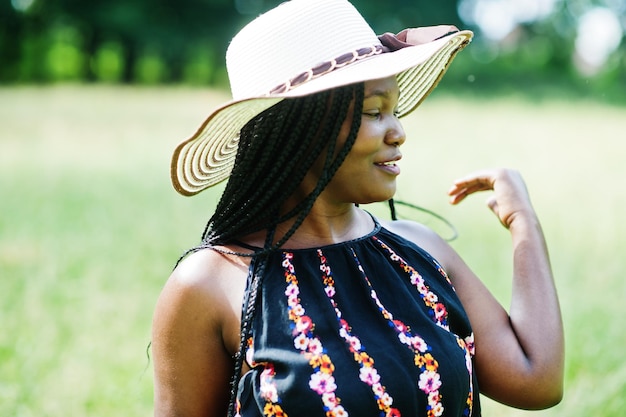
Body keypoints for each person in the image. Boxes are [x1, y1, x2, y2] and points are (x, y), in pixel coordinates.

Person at [151, 1, 564, 416]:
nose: (398, 132)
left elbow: (536, 379)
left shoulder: (421, 251)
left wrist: (522, 221)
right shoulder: (211, 284)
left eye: (396, 110)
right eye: (374, 112)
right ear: (300, 130)